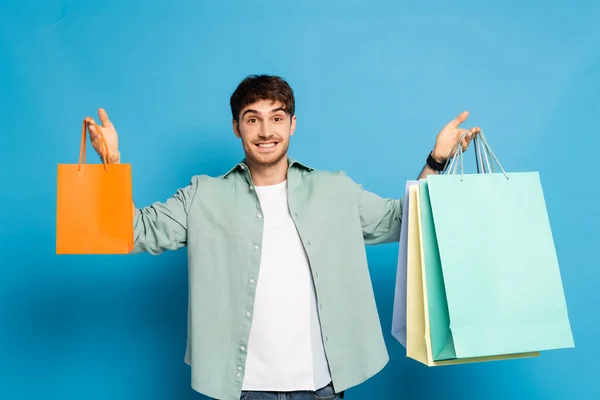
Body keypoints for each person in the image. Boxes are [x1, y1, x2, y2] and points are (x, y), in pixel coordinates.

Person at [84, 75, 479, 400]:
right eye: (252, 119)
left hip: (323, 386)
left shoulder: (335, 190)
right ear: (237, 127)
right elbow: (133, 231)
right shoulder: (203, 194)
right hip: (243, 389)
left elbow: (402, 219)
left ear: (292, 124)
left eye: (277, 117)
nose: (266, 130)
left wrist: (437, 160)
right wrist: (112, 167)